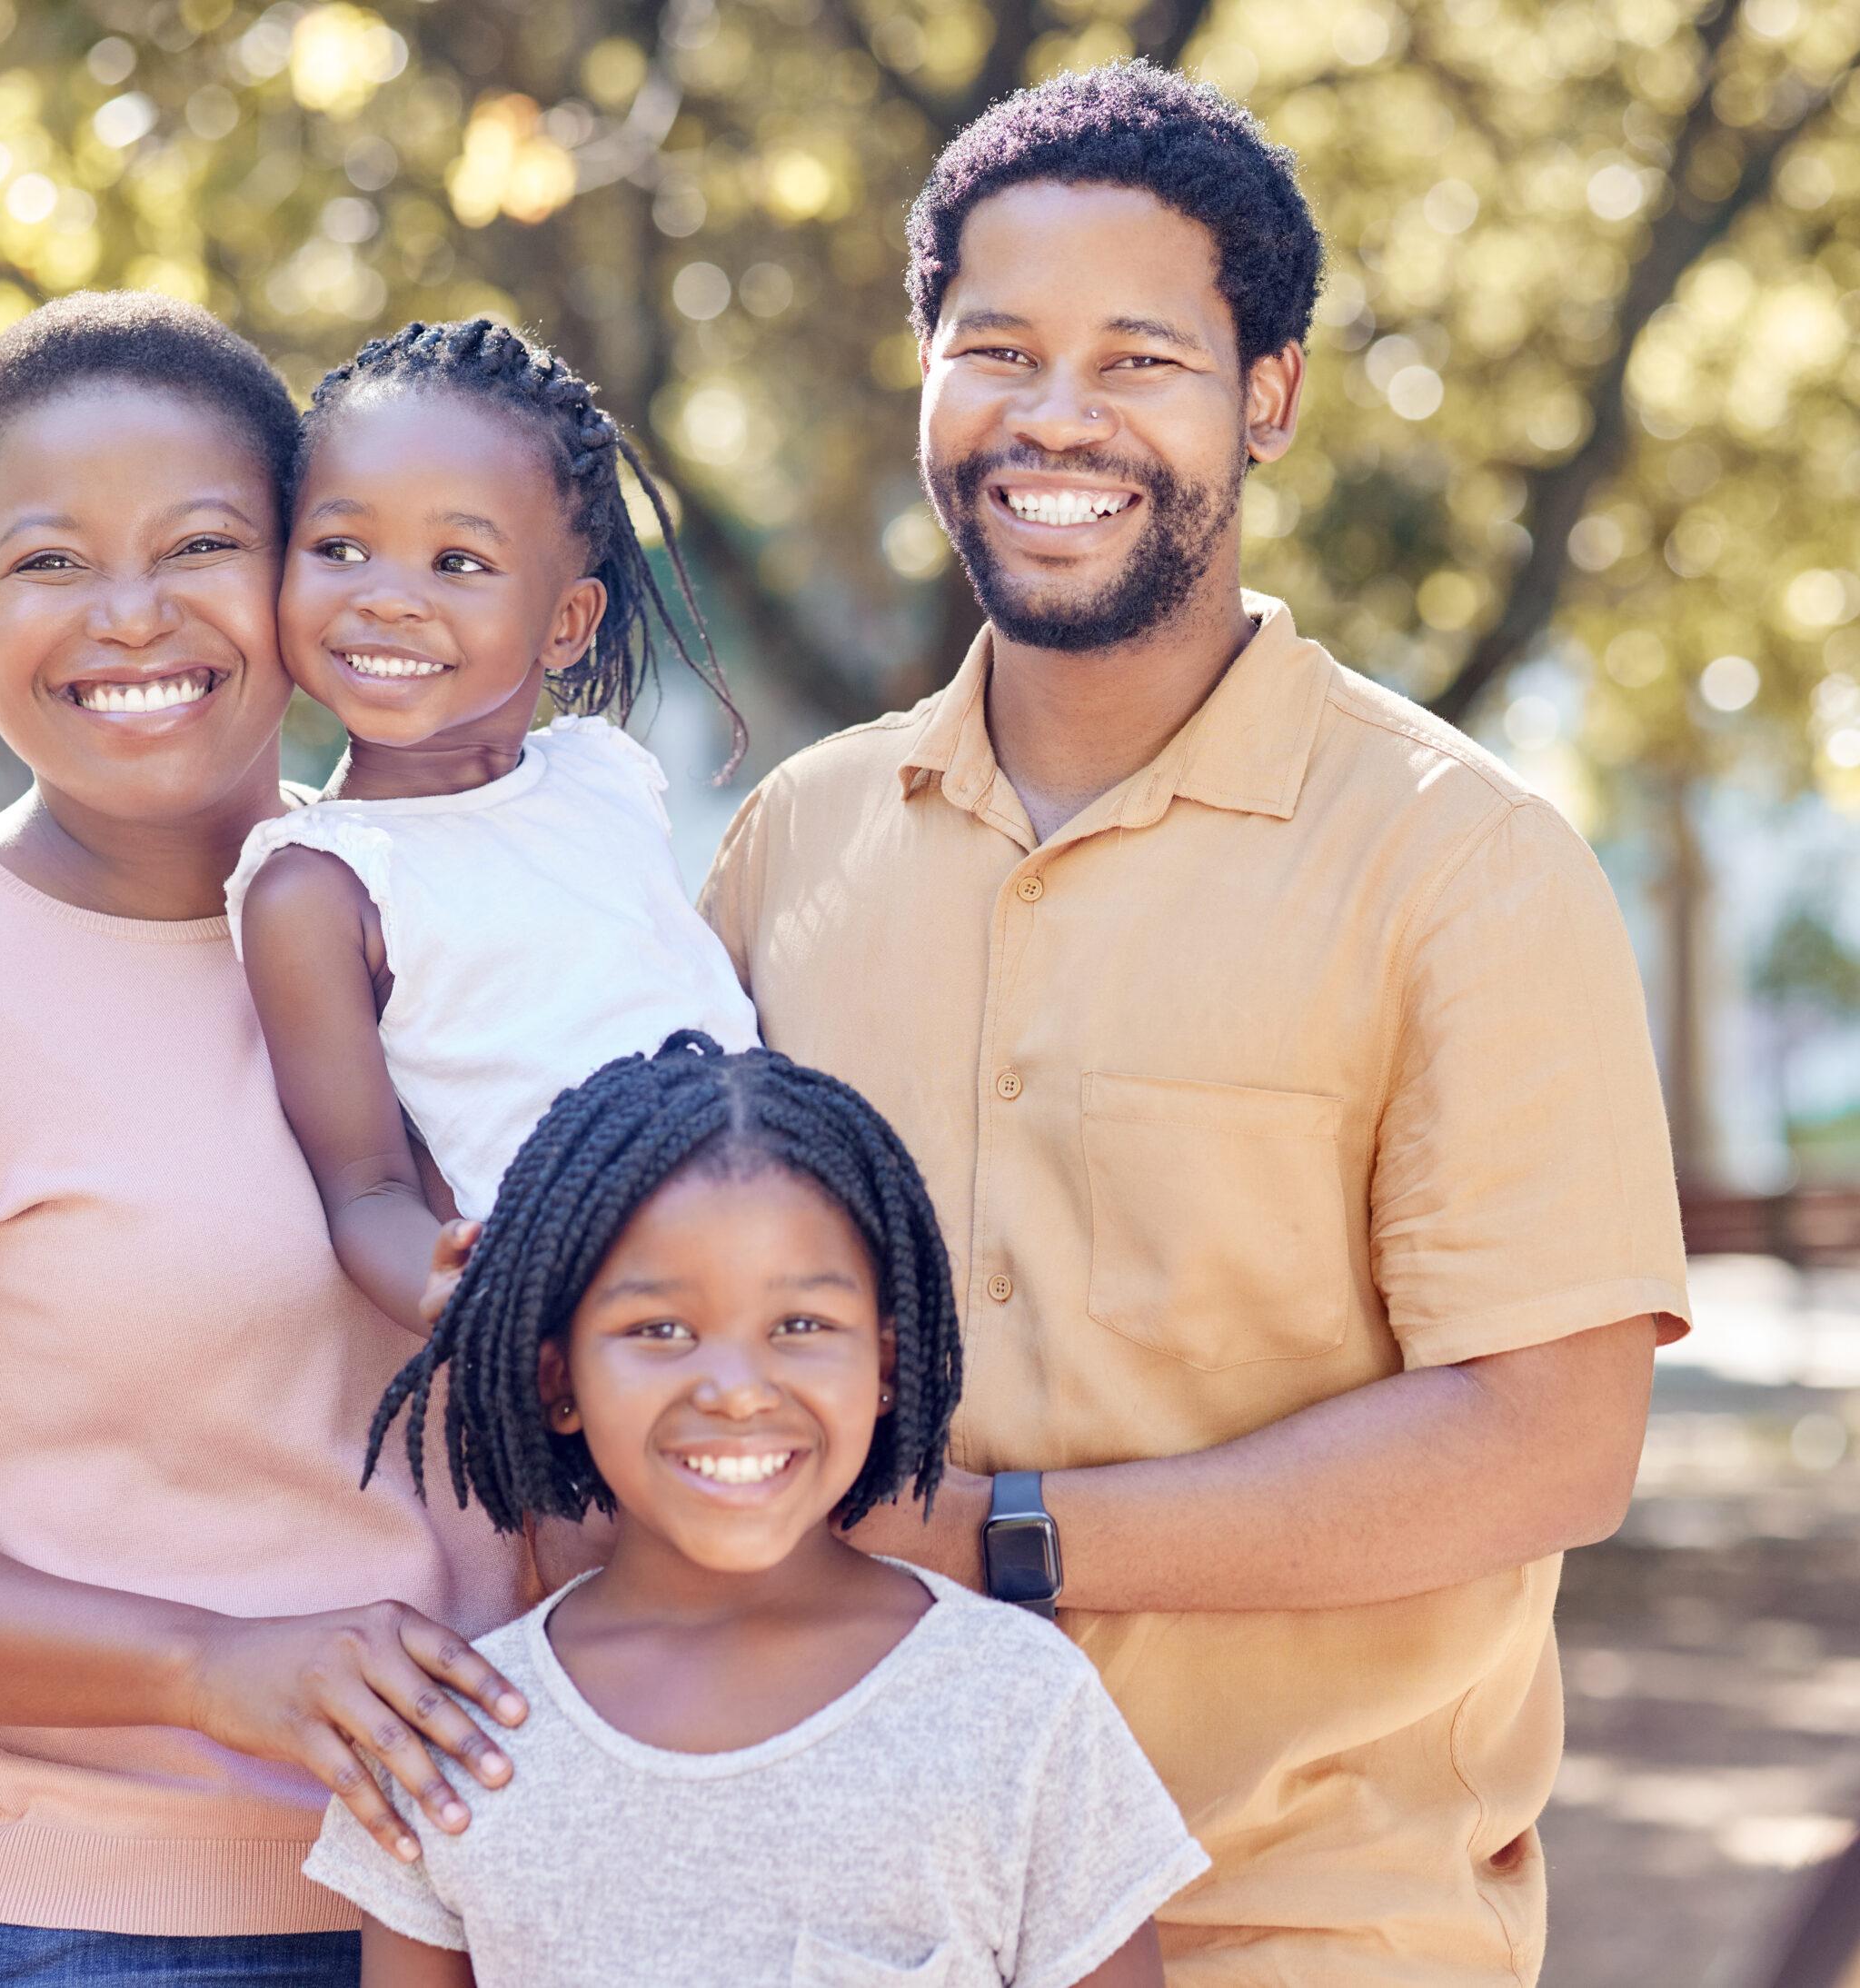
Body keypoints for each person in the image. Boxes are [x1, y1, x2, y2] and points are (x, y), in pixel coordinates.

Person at [700, 64, 1690, 1988]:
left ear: (1267, 396)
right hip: (827, 1907)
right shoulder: (790, 841)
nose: (1052, 417)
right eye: (994, 348)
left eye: (1136, 356)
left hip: (1290, 1926)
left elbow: (1545, 1439)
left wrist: (1002, 1533)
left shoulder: (1460, 866)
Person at [0, 293, 532, 1986]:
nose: (131, 614)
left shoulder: (472, 909)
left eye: (201, 542)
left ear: (298, 582)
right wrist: (210, 1661)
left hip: (501, 1907)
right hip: (74, 1928)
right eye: (52, 562)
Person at [307, 1033, 1209, 1987]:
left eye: (800, 1326)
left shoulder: (1017, 1706)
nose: (736, 1388)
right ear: (556, 1376)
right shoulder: (451, 1740)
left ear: (887, 1369)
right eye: (660, 1329)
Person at [224, 317, 758, 1337]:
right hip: (590, 1312)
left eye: (457, 562)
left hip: (780, 1231)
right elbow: (369, 1189)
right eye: (340, 547)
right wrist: (456, 1295)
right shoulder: (321, 888)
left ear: (566, 623)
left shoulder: (604, 776)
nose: (388, 598)